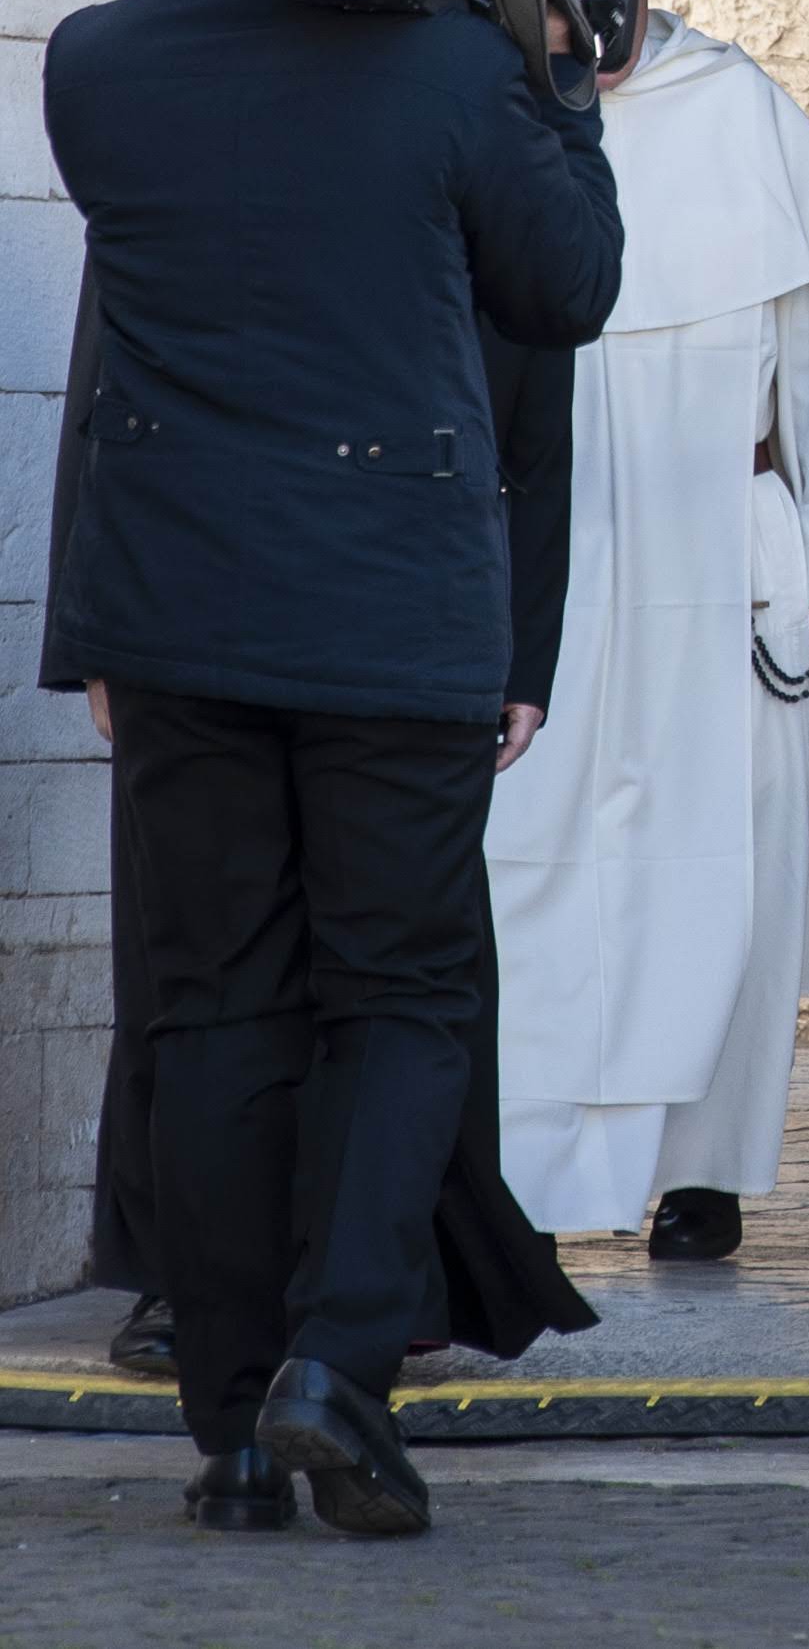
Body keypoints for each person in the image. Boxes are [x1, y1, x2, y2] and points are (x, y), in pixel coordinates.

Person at [39, 0, 623, 1538]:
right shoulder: (454, 78)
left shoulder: (98, 65)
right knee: (400, 997)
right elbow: (572, 285)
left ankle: (225, 1422)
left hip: (187, 614)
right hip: (391, 619)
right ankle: (338, 1365)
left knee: (209, 1012)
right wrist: (559, 84)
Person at [484, 0, 809, 1258]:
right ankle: (531, 1166)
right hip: (552, 557)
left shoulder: (732, 109)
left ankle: (703, 1167)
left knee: (719, 856)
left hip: (721, 547)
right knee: (537, 853)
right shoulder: (490, 108)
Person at [69, 309, 595, 1386]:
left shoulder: (483, 139)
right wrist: (93, 636)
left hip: (411, 617)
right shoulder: (188, 138)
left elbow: (535, 412)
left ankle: (382, 1287)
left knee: (398, 976)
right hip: (205, 614)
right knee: (212, 970)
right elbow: (107, 381)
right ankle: (202, 1281)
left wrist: (523, 648)